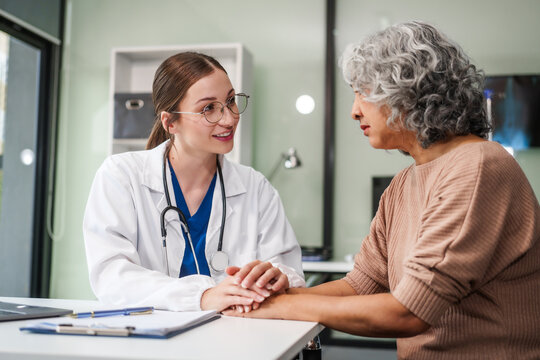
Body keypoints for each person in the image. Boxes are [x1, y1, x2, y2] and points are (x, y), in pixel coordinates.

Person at [225, 21, 540, 359]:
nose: (354, 110)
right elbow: (360, 285)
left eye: (364, 92)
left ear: (408, 92)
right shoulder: (402, 185)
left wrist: (281, 306)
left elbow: (409, 312)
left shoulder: (477, 166)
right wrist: (272, 295)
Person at [83, 52, 305, 312]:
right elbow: (111, 277)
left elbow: (288, 269)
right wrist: (202, 296)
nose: (229, 119)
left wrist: (278, 277)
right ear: (170, 122)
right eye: (208, 108)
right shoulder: (121, 176)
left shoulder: (255, 188)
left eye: (231, 101)